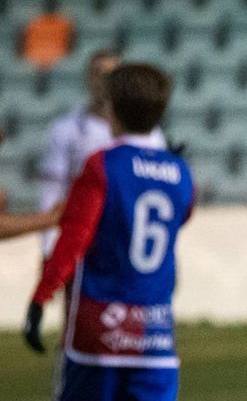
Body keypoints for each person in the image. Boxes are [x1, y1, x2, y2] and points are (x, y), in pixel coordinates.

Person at [21, 63, 193, 401]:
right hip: (155, 327)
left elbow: (72, 238)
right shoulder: (180, 173)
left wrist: (40, 297)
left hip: (98, 325)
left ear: (112, 110)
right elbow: (179, 220)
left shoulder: (100, 167)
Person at [36, 49, 166, 260]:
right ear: (87, 78)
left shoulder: (150, 134)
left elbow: (158, 190)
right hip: (83, 241)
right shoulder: (66, 129)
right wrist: (49, 246)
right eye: (97, 72)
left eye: (111, 74)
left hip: (128, 242)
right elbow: (52, 191)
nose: (103, 80)